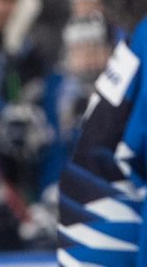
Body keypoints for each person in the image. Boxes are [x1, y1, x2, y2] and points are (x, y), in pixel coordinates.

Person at [57, 15, 147, 266]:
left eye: (93, 48)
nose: (86, 58)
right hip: (101, 216)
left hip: (93, 212)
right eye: (78, 49)